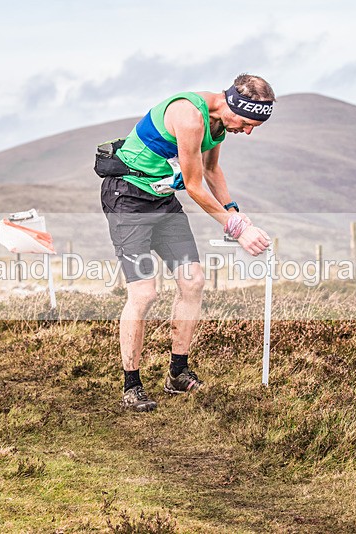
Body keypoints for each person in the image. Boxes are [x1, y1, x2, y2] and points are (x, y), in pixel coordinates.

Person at [99, 74, 274, 411]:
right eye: (248, 123)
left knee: (193, 281)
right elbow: (194, 186)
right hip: (128, 199)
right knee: (144, 293)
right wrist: (236, 228)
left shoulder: (218, 124)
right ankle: (131, 386)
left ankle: (177, 373)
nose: (248, 131)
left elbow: (212, 170)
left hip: (163, 202)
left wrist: (235, 212)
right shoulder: (189, 115)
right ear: (231, 105)